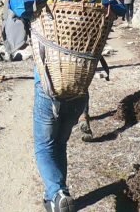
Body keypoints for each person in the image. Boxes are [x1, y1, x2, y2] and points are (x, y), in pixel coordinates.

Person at [34, 71, 85, 212]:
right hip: (78, 94)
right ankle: (57, 195)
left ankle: (57, 193)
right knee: (60, 145)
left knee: (44, 146)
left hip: (49, 90)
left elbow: (12, 47)